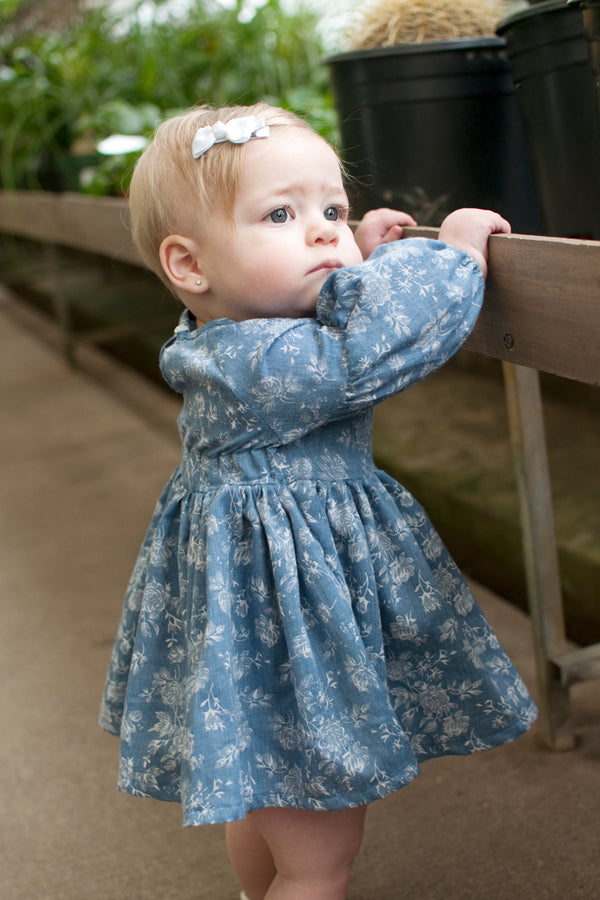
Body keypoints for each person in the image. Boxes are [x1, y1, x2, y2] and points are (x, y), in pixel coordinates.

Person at [100, 102, 537, 900]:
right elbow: (374, 342)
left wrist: (355, 256)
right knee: (320, 854)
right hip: (291, 633)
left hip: (257, 632)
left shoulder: (213, 338)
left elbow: (312, 306)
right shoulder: (276, 362)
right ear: (189, 265)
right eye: (281, 214)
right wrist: (459, 252)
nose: (324, 232)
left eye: (332, 209)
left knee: (264, 790)